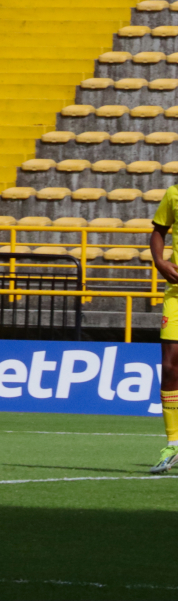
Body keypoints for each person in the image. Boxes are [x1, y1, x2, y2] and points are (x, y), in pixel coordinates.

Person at [149, 185, 178, 473]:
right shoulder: (174, 193)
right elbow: (159, 230)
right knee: (170, 367)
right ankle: (173, 445)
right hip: (177, 293)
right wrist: (159, 261)